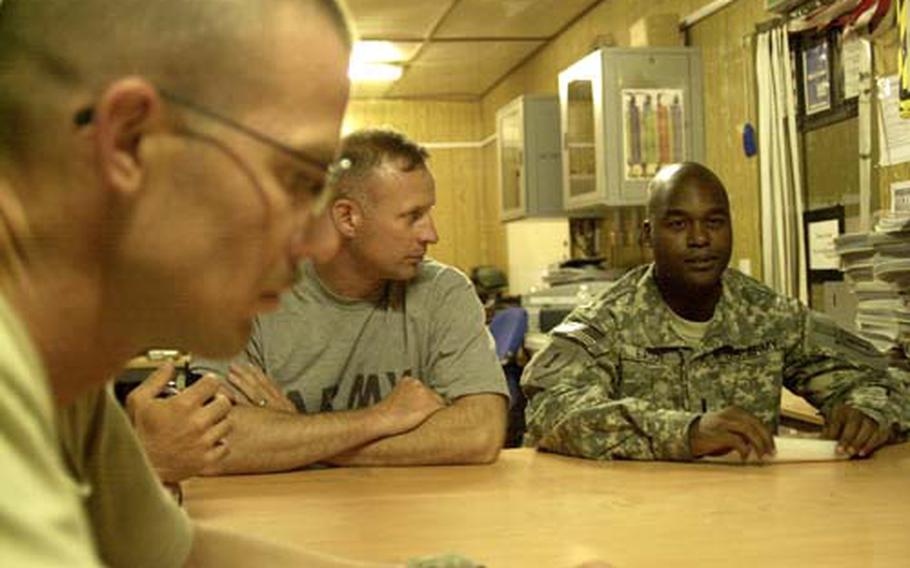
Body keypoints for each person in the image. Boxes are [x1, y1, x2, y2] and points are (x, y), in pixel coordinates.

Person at [0, 1, 442, 566]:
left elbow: (180, 556)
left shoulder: (63, 375)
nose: (322, 242)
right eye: (295, 180)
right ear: (131, 142)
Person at [522, 162, 907, 462]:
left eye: (714, 222)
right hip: (635, 517)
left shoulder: (768, 314)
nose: (700, 238)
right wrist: (685, 433)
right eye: (678, 224)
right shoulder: (606, 322)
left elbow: (882, 378)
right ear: (647, 235)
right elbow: (549, 412)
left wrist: (868, 411)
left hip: (748, 514)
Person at [192, 128, 510, 472]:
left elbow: (479, 433)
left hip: (410, 514)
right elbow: (215, 440)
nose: (431, 234)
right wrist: (381, 418)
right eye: (412, 216)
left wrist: (297, 432)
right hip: (282, 516)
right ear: (347, 218)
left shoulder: (444, 291)